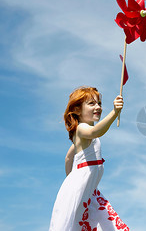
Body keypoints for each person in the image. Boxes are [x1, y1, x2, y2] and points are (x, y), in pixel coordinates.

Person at [49, 86, 129, 231]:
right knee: (78, 223)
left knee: (105, 222)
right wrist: (114, 112)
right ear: (77, 110)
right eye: (91, 103)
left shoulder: (84, 137)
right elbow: (95, 131)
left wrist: (70, 179)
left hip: (90, 191)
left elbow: (68, 157)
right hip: (80, 189)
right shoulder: (82, 129)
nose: (98, 107)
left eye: (99, 103)